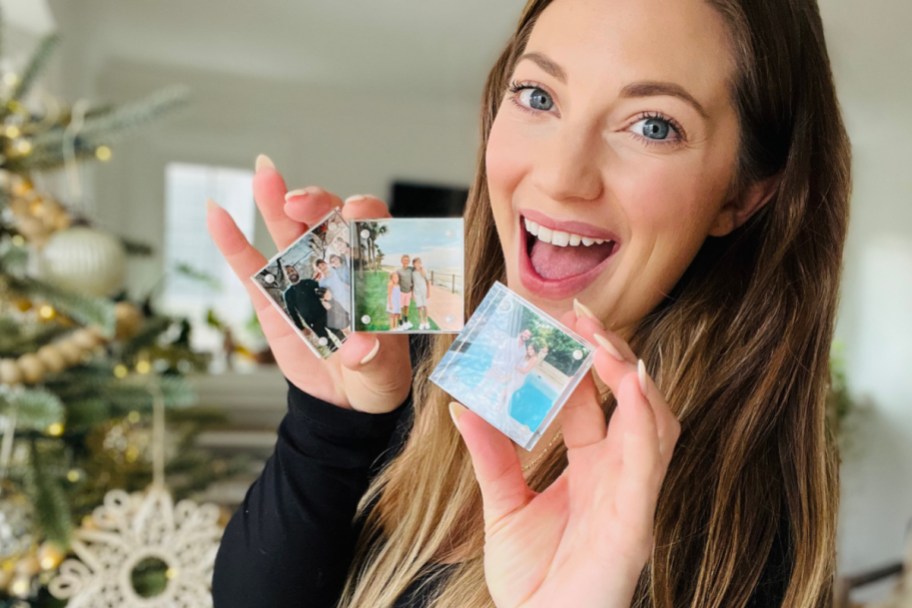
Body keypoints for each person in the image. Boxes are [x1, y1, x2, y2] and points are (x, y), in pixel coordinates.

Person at [206, 0, 850, 605]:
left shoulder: (746, 513)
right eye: (538, 96)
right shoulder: (409, 296)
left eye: (653, 125)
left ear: (744, 195)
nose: (561, 177)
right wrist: (329, 424)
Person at [395, 255, 415, 330]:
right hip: (401, 292)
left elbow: (413, 281)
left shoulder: (411, 270)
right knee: (400, 308)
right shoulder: (398, 271)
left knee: (407, 307)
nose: (406, 261)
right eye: (404, 260)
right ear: (401, 261)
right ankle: (400, 323)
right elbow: (396, 282)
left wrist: (412, 292)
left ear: (409, 261)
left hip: (408, 292)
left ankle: (406, 321)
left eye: (407, 260)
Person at [412, 257, 431, 330]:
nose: (418, 264)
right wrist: (413, 293)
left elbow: (427, 281)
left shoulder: (423, 271)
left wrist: (429, 292)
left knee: (425, 306)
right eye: (416, 262)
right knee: (419, 307)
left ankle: (426, 321)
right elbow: (413, 283)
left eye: (419, 262)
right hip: (417, 292)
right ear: (414, 264)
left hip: (424, 291)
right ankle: (422, 322)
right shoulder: (413, 273)